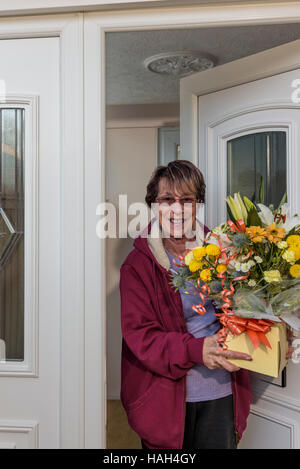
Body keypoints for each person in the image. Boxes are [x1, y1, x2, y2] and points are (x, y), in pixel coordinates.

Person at [119, 160, 275, 449]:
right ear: (154, 205)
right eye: (167, 200)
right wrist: (195, 349)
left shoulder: (226, 251)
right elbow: (141, 337)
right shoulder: (137, 266)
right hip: (162, 400)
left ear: (197, 205)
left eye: (186, 200)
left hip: (221, 394)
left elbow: (248, 310)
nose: (177, 210)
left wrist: (275, 334)